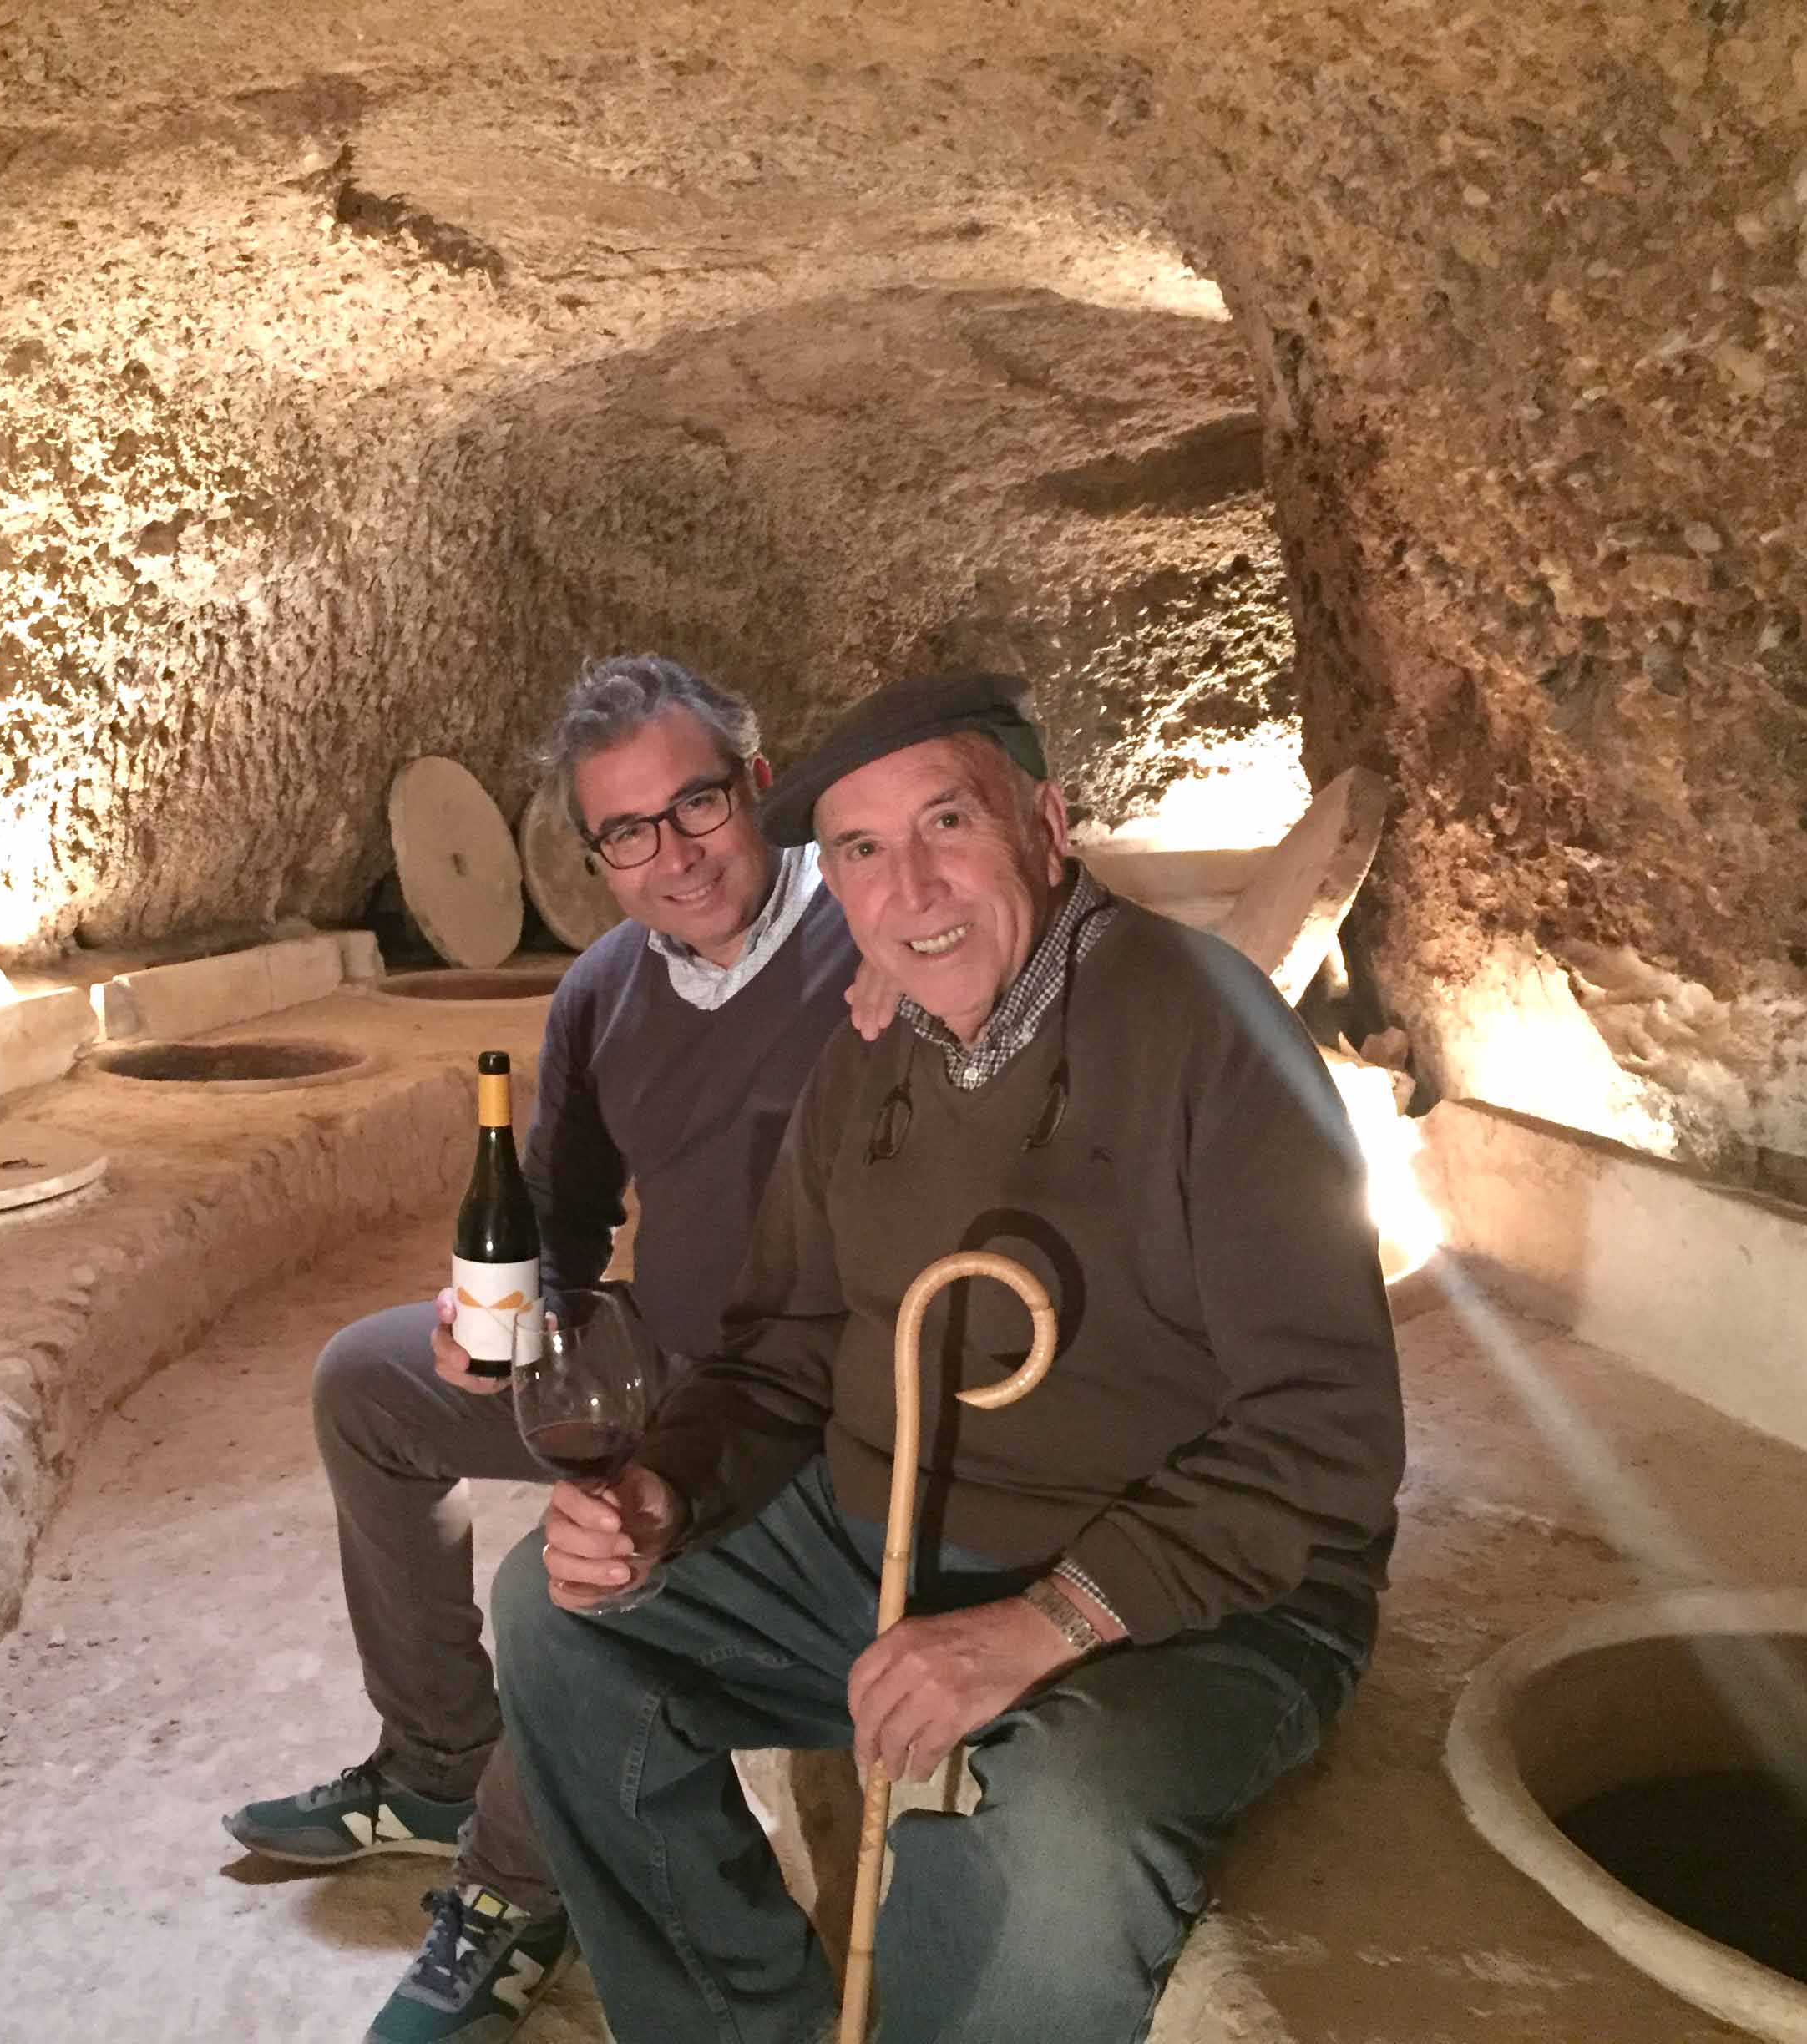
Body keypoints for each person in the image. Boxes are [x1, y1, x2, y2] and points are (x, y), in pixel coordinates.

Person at [492, 670, 1406, 2044]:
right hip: (882, 1539)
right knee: (557, 1617)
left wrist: (1045, 1624)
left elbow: (1327, 1440)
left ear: (1046, 820)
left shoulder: (1207, 1030)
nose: (909, 888)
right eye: (860, 851)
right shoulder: (870, 1056)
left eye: (946, 825)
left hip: (1183, 1598)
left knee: (1054, 1821)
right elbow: (787, 1345)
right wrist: (667, 1492)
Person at [222, 654, 865, 2044]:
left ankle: (511, 1886)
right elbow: (563, 1230)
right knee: (368, 1384)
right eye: (625, 833)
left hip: (796, 1409)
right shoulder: (605, 990)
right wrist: (500, 1323)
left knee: (573, 1576)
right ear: (593, 856)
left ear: (759, 786)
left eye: (694, 807)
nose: (670, 857)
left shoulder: (870, 949)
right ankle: (441, 1760)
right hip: (649, 1357)